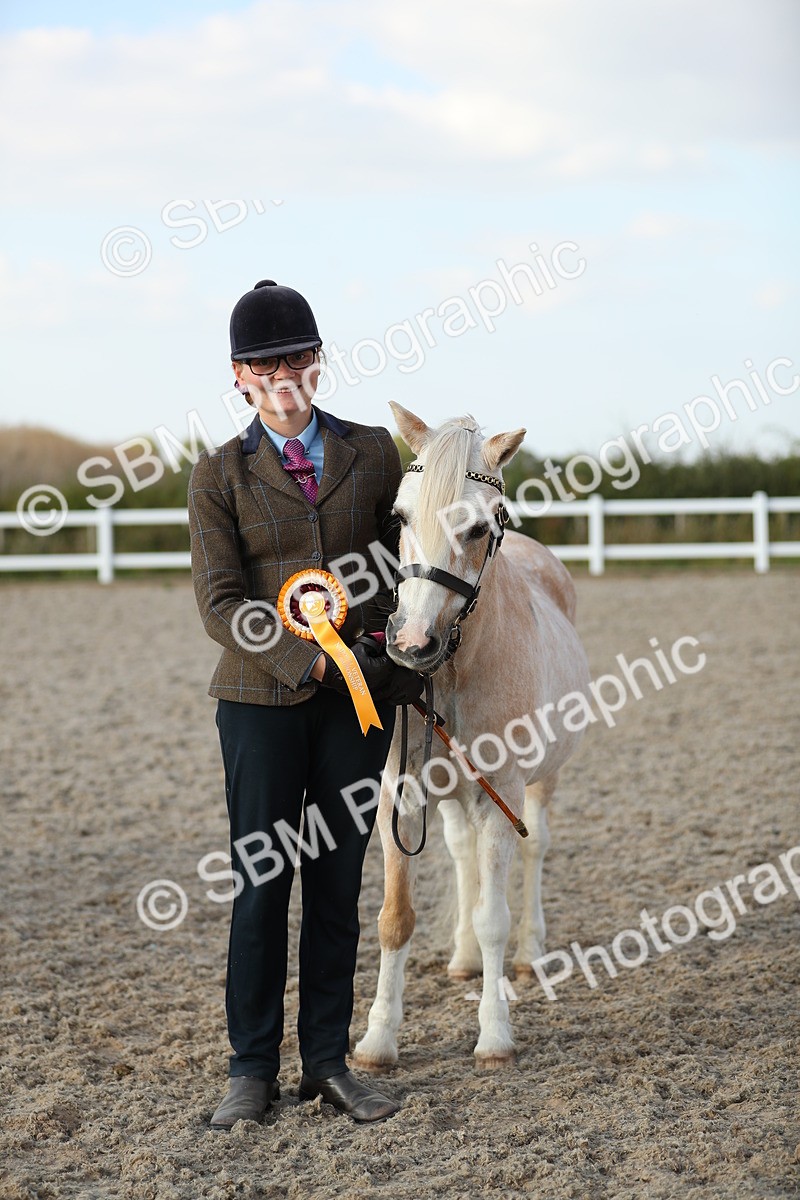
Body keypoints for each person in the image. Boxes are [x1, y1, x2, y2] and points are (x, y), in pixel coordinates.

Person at [188, 279, 422, 1130]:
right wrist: (316, 665)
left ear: (317, 363)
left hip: (362, 703)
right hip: (261, 701)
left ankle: (326, 1062)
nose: (282, 373)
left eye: (295, 357)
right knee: (261, 884)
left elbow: (408, 565)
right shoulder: (219, 473)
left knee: (337, 884)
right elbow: (220, 603)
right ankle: (250, 1066)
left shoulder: (375, 452)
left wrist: (401, 655)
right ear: (241, 378)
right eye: (264, 363)